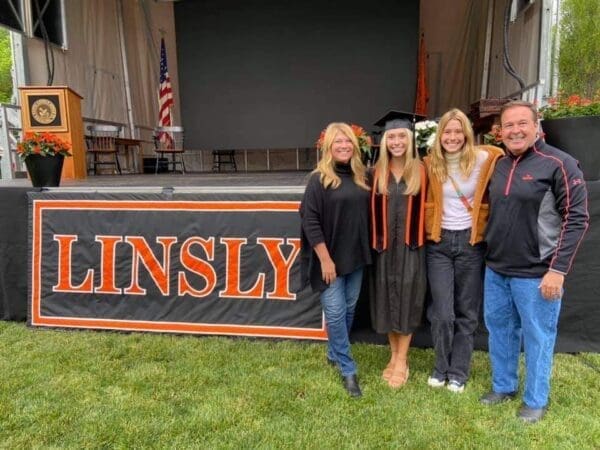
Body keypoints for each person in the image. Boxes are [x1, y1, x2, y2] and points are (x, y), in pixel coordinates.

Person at [480, 100, 589, 423]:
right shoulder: (498, 164)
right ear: (500, 132)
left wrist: (557, 270)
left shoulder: (559, 164)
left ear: (536, 125)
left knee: (539, 336)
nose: (515, 130)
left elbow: (577, 219)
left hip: (537, 273)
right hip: (496, 268)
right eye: (508, 125)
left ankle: (536, 399)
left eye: (521, 124)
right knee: (500, 329)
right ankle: (504, 386)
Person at [423, 108, 503, 393]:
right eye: (448, 131)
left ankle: (458, 372)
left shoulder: (486, 158)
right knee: (443, 313)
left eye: (458, 131)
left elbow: (502, 157)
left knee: (467, 311)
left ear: (467, 134)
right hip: (439, 243)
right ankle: (440, 367)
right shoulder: (431, 163)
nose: (453, 137)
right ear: (440, 134)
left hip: (471, 244)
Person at [300, 122, 372, 398]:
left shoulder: (361, 175)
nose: (343, 146)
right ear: (328, 147)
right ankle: (347, 368)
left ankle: (333, 352)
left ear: (355, 145)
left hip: (355, 255)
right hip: (328, 259)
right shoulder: (319, 180)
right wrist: (325, 260)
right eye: (337, 142)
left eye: (348, 142)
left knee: (350, 307)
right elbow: (310, 221)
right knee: (336, 312)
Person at [370, 112, 427, 388]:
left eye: (401, 136)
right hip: (383, 250)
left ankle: (402, 360)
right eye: (391, 136)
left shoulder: (424, 171)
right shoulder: (376, 173)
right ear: (384, 141)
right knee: (386, 302)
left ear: (411, 139)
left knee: (406, 301)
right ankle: (393, 356)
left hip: (411, 248)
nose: (396, 141)